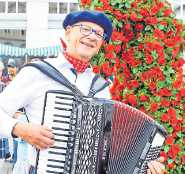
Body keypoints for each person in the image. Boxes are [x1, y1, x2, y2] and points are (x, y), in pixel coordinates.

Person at [0, 10, 165, 174]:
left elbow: (108, 149)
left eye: (99, 34)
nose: (92, 36)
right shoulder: (36, 73)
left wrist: (143, 164)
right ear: (68, 32)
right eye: (85, 29)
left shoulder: (101, 88)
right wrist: (20, 129)